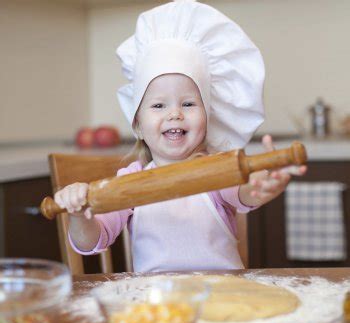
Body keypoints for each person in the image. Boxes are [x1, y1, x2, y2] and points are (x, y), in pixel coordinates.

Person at [54, 1, 306, 272]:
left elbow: (244, 193)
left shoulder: (216, 172)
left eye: (188, 104)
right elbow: (92, 241)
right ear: (137, 124)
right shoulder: (129, 182)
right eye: (159, 105)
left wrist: (260, 186)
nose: (175, 114)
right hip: (155, 306)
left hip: (223, 300)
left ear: (209, 117)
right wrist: (80, 216)